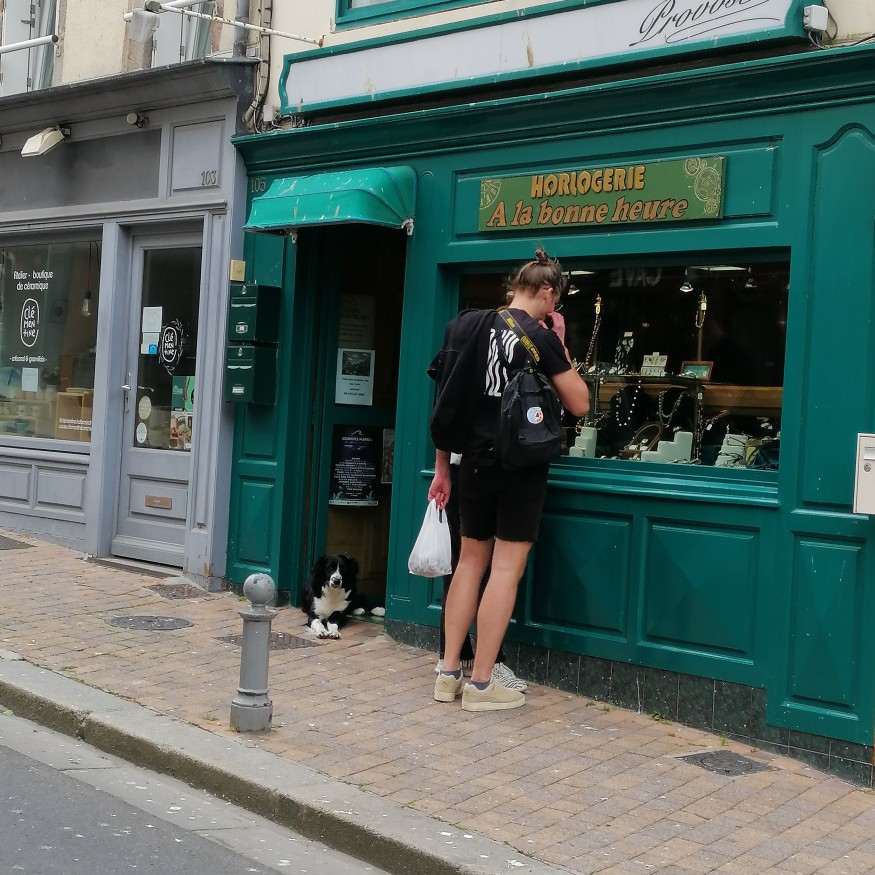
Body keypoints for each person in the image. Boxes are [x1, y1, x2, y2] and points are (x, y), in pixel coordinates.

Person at [428, 249, 590, 711]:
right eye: (555, 300)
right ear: (547, 291)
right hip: (520, 467)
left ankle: (448, 673)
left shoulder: (467, 326)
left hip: (473, 462)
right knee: (505, 569)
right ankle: (482, 685)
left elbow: (446, 402)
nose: (554, 307)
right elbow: (579, 403)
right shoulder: (541, 335)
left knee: (469, 563)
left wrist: (443, 467)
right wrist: (560, 342)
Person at [429, 454, 527, 692]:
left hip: (463, 465)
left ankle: (451, 663)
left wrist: (441, 469)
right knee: (484, 568)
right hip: (492, 464)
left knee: (463, 565)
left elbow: (442, 431)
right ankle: (489, 667)